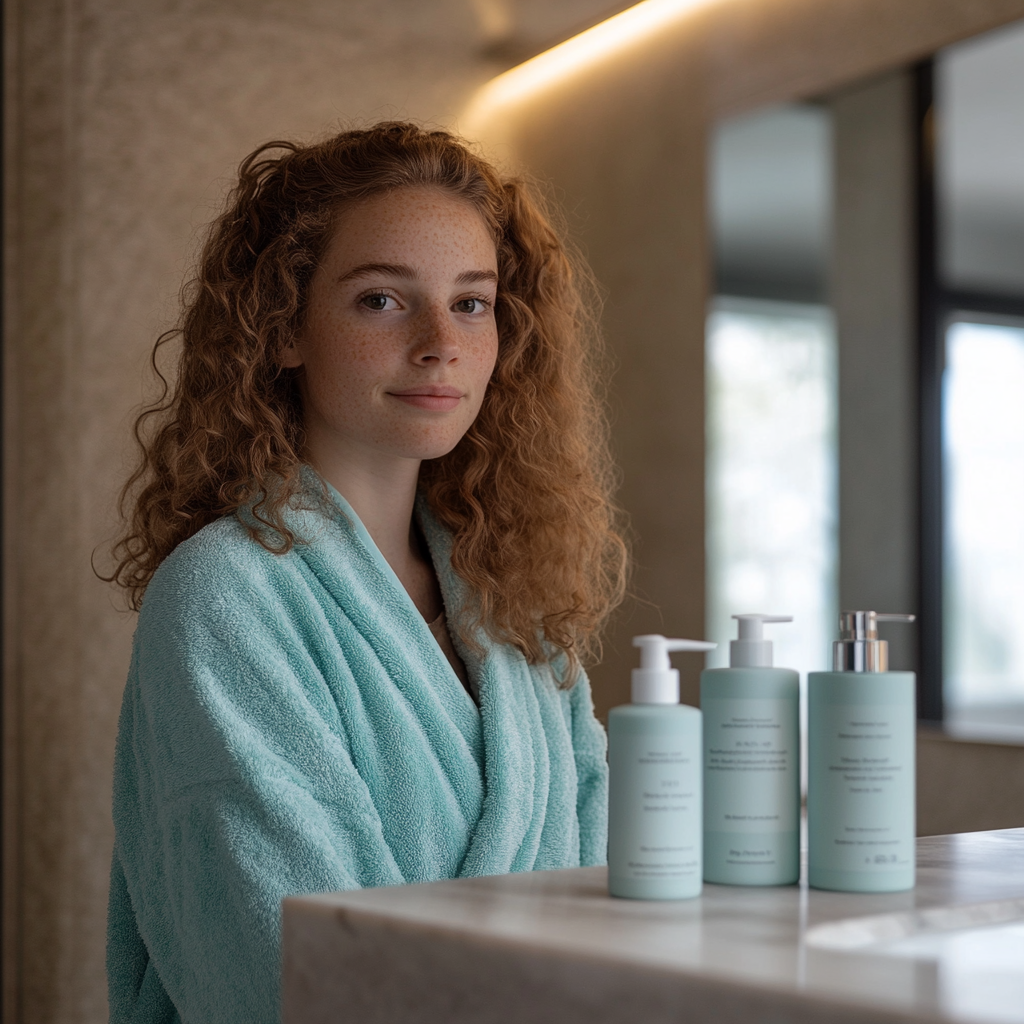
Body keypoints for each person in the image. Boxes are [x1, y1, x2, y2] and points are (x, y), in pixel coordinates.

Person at [104, 122, 627, 1024]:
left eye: (472, 303)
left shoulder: (514, 608)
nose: (440, 343)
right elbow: (282, 970)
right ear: (283, 328)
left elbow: (611, 909)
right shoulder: (226, 597)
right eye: (382, 301)